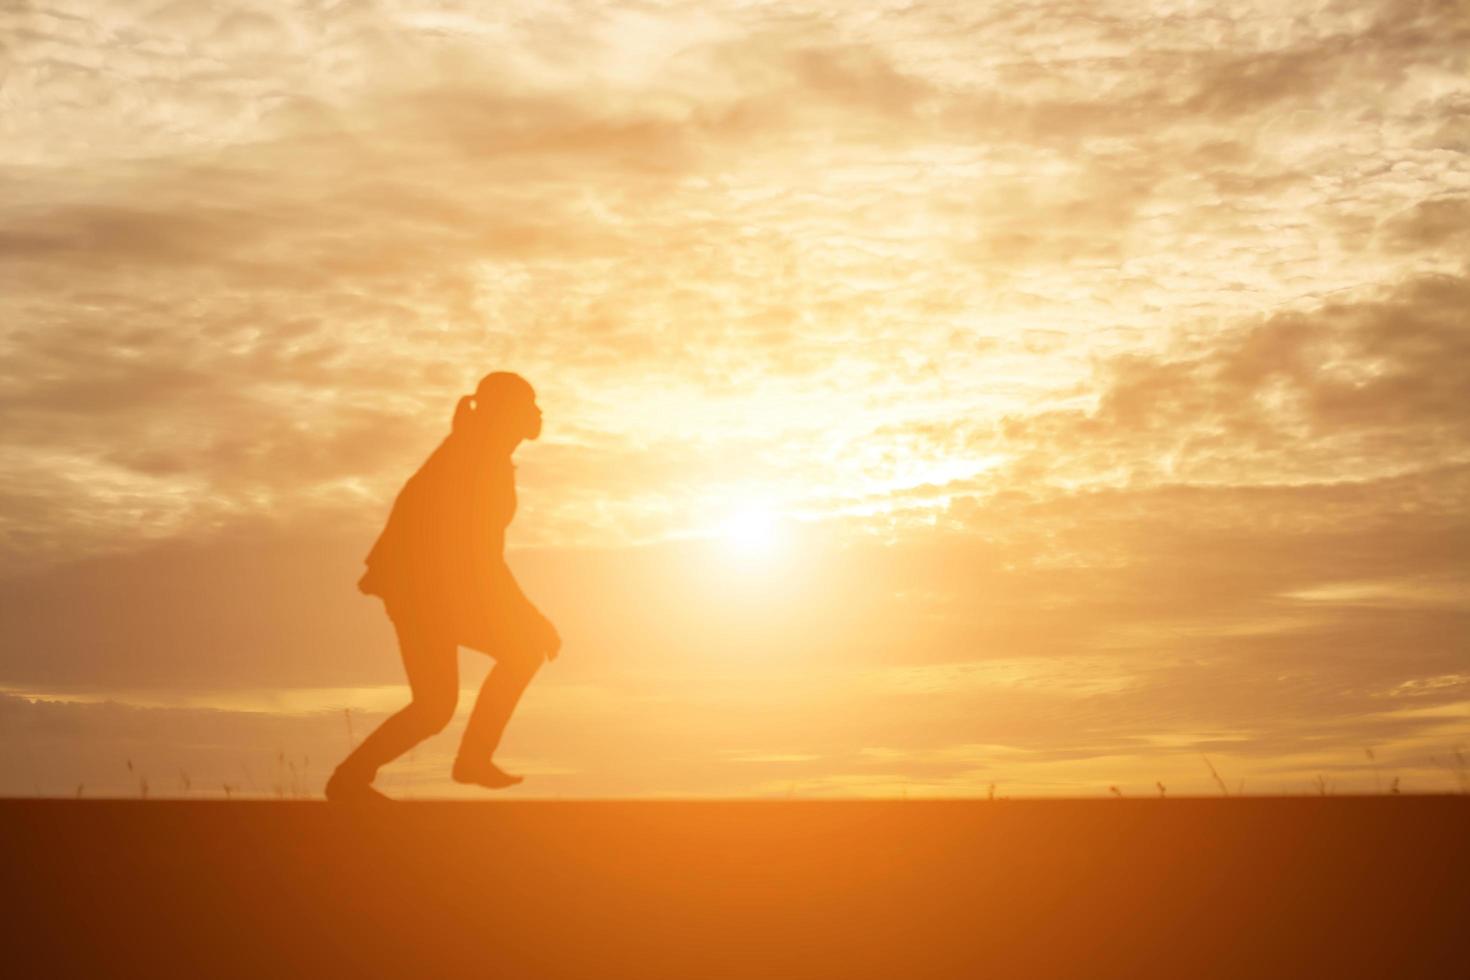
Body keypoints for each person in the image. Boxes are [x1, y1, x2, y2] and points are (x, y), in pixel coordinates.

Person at [326, 371, 560, 801]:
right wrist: (532, 617)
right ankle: (464, 761)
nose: (538, 412)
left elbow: (477, 562)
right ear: (507, 413)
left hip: (431, 594)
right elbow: (481, 559)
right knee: (513, 657)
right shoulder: (475, 460)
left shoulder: (478, 453)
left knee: (435, 705)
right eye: (529, 403)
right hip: (425, 596)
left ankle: (355, 778)